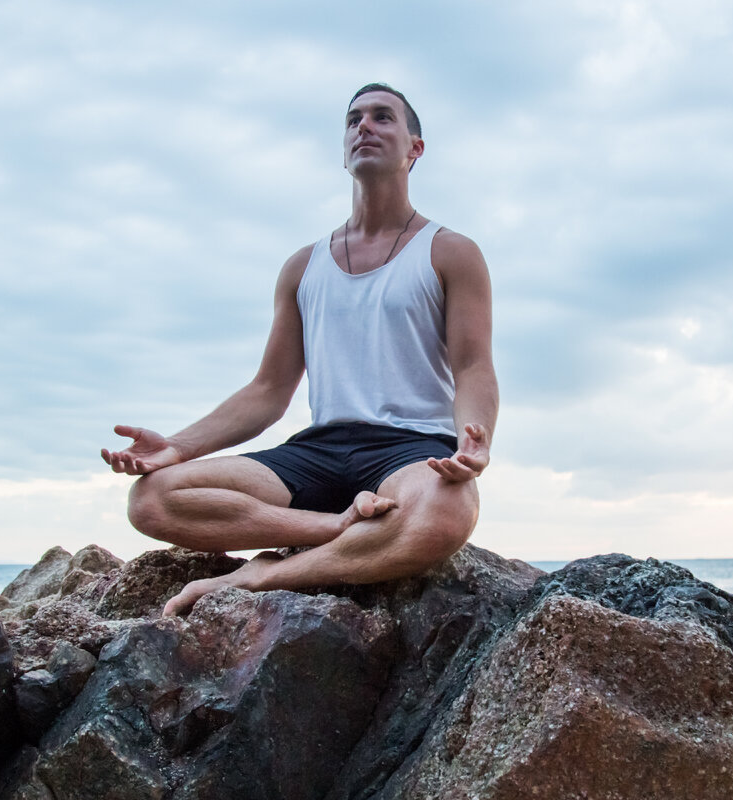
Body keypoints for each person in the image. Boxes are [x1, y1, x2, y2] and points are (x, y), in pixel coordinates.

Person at [101, 83, 498, 616]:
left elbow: (472, 366)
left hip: (410, 451)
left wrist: (474, 442)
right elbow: (268, 390)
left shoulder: (450, 251)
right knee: (152, 498)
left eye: (383, 117)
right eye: (354, 119)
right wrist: (177, 446)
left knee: (449, 510)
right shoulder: (302, 266)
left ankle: (263, 576)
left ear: (415, 148)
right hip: (319, 453)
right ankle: (338, 527)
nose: (364, 126)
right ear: (343, 150)